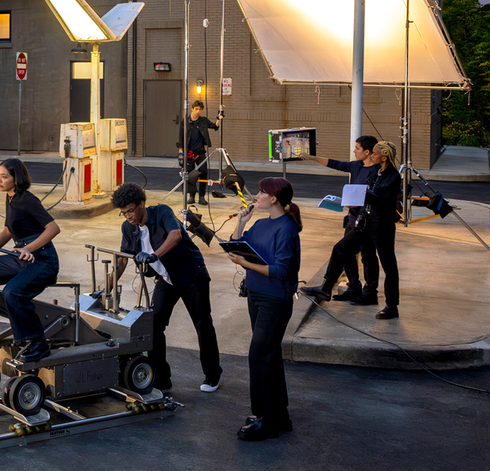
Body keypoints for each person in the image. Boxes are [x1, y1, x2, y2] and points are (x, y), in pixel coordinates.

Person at [112, 183, 222, 395]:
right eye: (123, 213)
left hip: (191, 274)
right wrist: (105, 288)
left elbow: (175, 235)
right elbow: (122, 260)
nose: (128, 216)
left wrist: (154, 255)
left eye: (131, 210)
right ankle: (162, 380)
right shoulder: (128, 228)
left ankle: (213, 373)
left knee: (202, 323)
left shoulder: (161, 212)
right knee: (154, 325)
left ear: (142, 204)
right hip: (167, 277)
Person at [0, 158, 60, 363]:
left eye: (4, 176)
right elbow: (8, 230)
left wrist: (28, 248)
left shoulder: (27, 199)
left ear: (17, 178)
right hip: (21, 258)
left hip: (42, 261)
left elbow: (53, 228)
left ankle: (38, 344)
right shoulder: (11, 197)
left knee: (13, 292)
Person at [226, 177, 302, 441]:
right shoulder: (259, 223)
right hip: (256, 294)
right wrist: (241, 222)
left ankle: (264, 418)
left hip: (275, 298)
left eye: (261, 192)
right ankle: (279, 415)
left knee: (258, 355)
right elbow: (236, 245)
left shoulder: (286, 229)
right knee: (269, 355)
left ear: (274, 199)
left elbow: (281, 271)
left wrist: (247, 265)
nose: (256, 195)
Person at [298, 135, 378, 303]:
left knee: (363, 254)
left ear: (368, 151)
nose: (354, 151)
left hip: (367, 221)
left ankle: (367, 293)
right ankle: (354, 287)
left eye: (357, 148)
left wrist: (358, 204)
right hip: (353, 218)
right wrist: (312, 158)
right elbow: (336, 164)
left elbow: (376, 197)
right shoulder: (357, 166)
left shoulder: (378, 172)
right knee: (347, 253)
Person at [359, 142, 403, 319]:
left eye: (375, 153)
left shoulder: (393, 177)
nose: (372, 156)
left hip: (383, 224)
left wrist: (364, 193)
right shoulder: (374, 171)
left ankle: (392, 306)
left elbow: (384, 202)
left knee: (388, 264)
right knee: (365, 256)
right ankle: (369, 293)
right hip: (368, 220)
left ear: (384, 157)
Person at [182, 101, 222, 205]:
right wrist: (181, 152)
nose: (198, 111)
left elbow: (215, 126)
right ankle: (191, 196)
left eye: (200, 109)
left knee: (203, 172)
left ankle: (201, 197)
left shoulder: (203, 121)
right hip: (189, 152)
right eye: (196, 109)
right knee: (190, 175)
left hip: (200, 152)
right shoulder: (186, 121)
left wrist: (219, 118)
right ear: (192, 109)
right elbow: (180, 136)